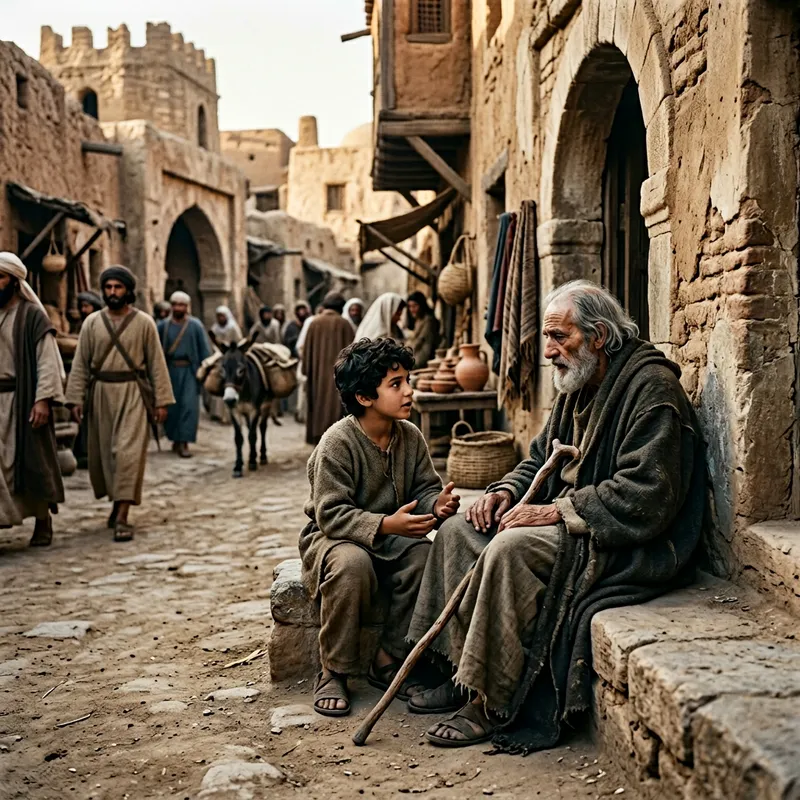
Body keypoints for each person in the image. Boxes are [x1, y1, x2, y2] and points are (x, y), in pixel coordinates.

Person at [407, 280, 706, 749]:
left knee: (511, 548)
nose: (548, 351)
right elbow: (540, 456)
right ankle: (463, 673)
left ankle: (491, 699)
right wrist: (505, 491)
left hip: (616, 534)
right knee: (458, 530)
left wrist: (557, 511)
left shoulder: (651, 389)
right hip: (569, 517)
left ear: (599, 336)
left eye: (559, 337)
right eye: (548, 337)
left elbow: (648, 493)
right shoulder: (578, 382)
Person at [301, 337, 460, 717]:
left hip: (391, 538)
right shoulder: (337, 443)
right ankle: (334, 669)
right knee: (352, 566)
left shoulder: (410, 436)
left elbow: (424, 488)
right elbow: (331, 513)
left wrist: (435, 504)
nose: (409, 391)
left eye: (408, 381)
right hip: (334, 537)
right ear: (364, 397)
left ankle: (389, 657)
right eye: (396, 384)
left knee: (423, 558)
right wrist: (387, 524)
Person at [65, 265, 174, 542]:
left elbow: (157, 364)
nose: (113, 292)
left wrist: (161, 400)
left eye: (118, 287)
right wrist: (74, 398)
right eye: (108, 287)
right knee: (106, 456)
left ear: (128, 290)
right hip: (101, 394)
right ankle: (117, 503)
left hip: (133, 394)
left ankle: (123, 515)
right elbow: (80, 364)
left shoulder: (144, 323)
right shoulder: (92, 323)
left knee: (127, 455)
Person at [0, 253, 65, 547]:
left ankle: (42, 519)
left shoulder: (32, 316)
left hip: (22, 399)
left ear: (14, 281)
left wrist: (43, 400)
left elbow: (47, 361)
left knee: (33, 461)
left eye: (0, 277)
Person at [157, 291, 211, 458]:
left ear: (187, 307)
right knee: (172, 408)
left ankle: (185, 442)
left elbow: (204, 350)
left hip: (189, 372)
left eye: (182, 305)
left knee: (188, 407)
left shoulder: (195, 325)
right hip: (170, 371)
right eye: (175, 305)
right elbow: (156, 350)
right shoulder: (163, 326)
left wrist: (204, 371)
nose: (178, 308)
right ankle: (175, 439)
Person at [302, 292, 355, 445]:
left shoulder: (314, 323)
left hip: (317, 378)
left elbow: (306, 354)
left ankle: (318, 439)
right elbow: (353, 354)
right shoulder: (344, 324)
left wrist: (307, 371)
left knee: (318, 408)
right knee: (335, 408)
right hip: (339, 379)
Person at [405, 291, 439, 369]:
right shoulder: (418, 320)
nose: (412, 309)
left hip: (424, 358)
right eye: (410, 306)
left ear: (422, 305)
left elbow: (422, 343)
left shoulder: (428, 320)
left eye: (415, 306)